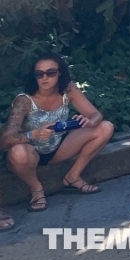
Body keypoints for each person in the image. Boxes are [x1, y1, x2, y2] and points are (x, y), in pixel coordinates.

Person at [1, 53, 115, 211]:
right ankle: (36, 189)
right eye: (39, 74)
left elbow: (95, 114)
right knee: (18, 152)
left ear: (60, 72)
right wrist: (32, 134)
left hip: (58, 147)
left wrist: (90, 121)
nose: (45, 78)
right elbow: (5, 140)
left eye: (51, 72)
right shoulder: (24, 100)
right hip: (28, 154)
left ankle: (73, 176)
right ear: (34, 76)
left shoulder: (67, 89)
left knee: (105, 127)